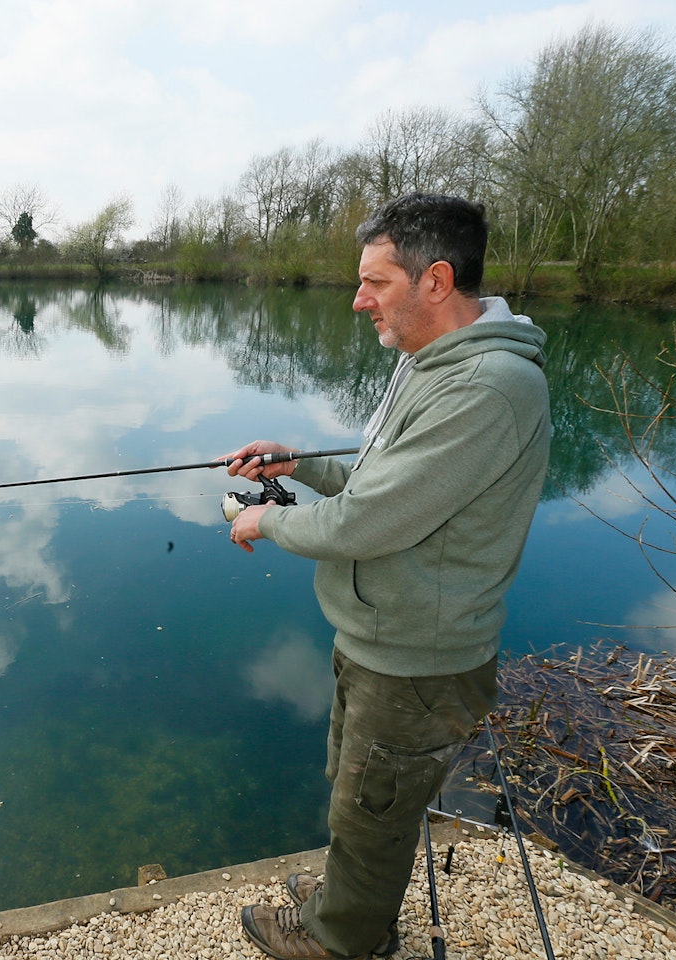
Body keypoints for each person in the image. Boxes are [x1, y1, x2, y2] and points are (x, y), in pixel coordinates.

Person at [222, 192, 551, 960]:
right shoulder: (430, 364)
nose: (359, 299)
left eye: (376, 283)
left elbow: (365, 524)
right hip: (381, 635)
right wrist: (301, 465)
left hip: (417, 658)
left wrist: (263, 519)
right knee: (363, 794)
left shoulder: (484, 387)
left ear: (436, 281)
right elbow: (383, 483)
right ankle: (351, 898)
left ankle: (344, 941)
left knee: (373, 805)